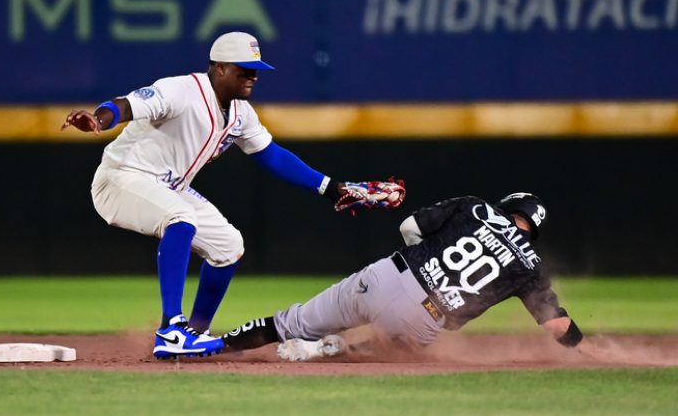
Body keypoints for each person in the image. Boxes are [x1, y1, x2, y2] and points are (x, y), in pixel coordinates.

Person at [60, 32, 402, 359]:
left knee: (228, 246)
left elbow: (272, 155)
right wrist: (99, 120)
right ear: (220, 67)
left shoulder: (240, 113)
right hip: (121, 179)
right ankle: (171, 330)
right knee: (180, 219)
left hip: (167, 186)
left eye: (256, 71)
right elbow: (127, 105)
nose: (253, 76)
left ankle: (193, 332)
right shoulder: (181, 90)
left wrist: (330, 188)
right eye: (244, 70)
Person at [223, 192, 595, 361]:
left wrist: (417, 263)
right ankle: (324, 349)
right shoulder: (529, 265)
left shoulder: (476, 207)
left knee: (294, 320)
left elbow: (410, 226)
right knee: (396, 348)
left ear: (508, 208)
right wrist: (586, 349)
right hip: (426, 318)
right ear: (531, 231)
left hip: (388, 276)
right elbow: (557, 326)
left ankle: (214, 347)